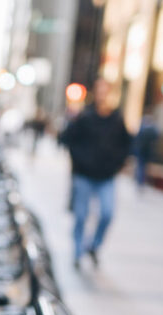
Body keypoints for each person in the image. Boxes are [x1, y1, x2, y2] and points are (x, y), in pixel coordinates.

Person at [58, 78, 131, 269]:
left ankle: (93, 245)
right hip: (84, 175)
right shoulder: (85, 117)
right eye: (99, 90)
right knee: (81, 215)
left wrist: (118, 163)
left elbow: (126, 143)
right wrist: (80, 160)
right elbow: (67, 139)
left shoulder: (116, 118)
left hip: (106, 176)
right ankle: (77, 251)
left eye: (105, 91)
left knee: (107, 213)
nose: (102, 94)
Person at [130, 114, 158, 192]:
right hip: (146, 152)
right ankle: (140, 181)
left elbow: (137, 138)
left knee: (140, 166)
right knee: (143, 167)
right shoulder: (152, 130)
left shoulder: (143, 129)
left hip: (142, 151)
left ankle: (139, 180)